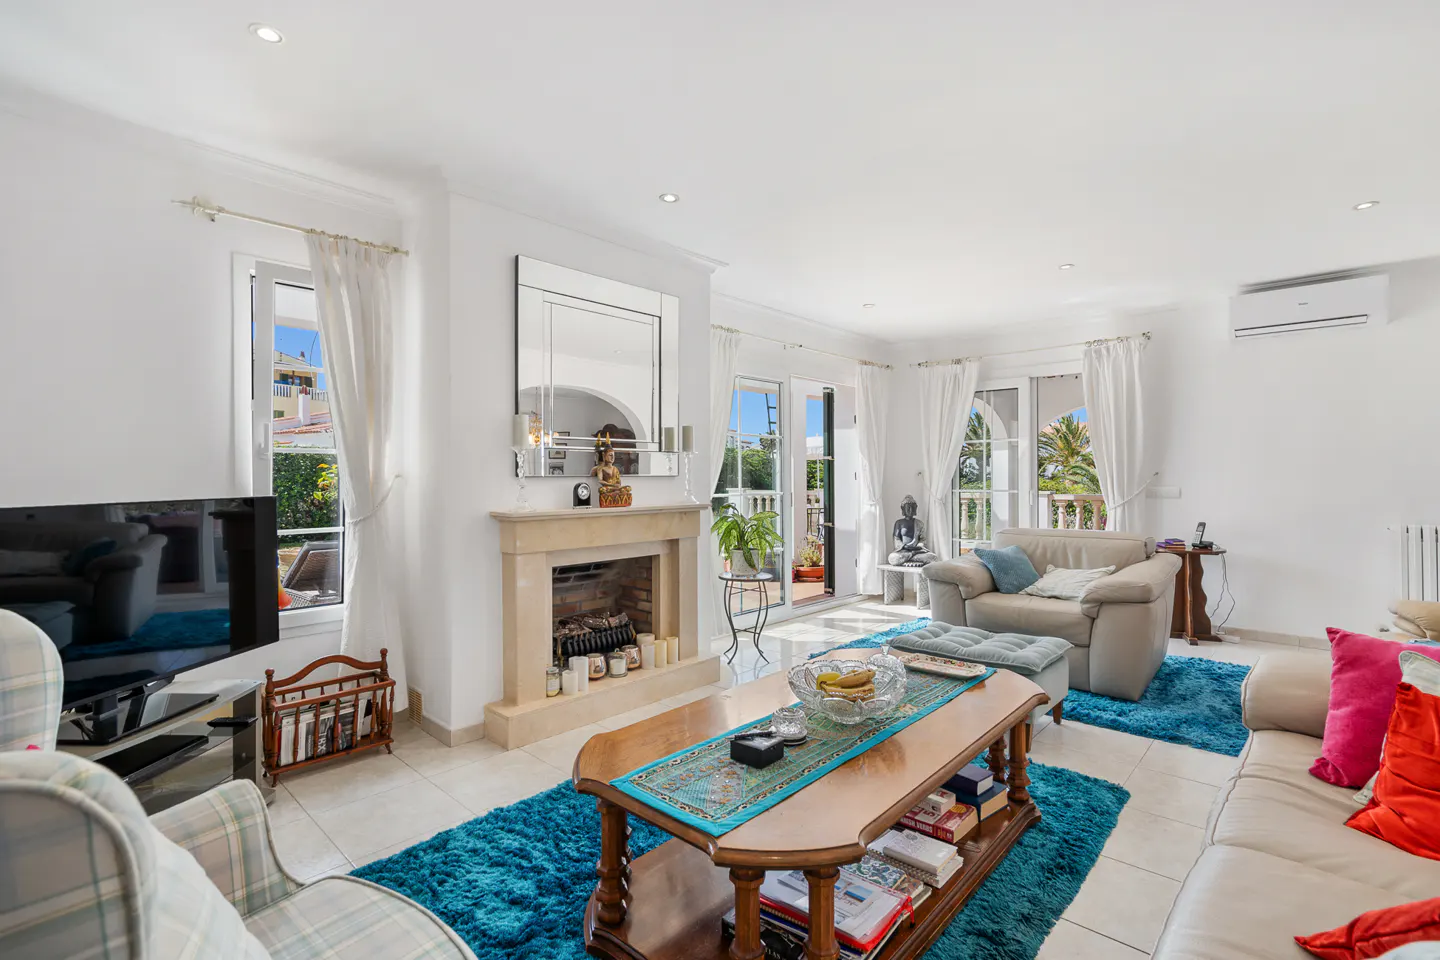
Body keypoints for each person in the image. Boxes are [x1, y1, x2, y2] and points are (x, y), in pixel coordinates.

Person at [889, 494, 937, 565]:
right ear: (903, 509)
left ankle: (908, 559)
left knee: (933, 557)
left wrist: (918, 547)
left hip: (917, 551)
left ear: (915, 509)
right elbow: (896, 539)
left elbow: (922, 539)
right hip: (903, 551)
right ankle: (914, 559)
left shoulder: (919, 523)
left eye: (912, 508)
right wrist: (904, 546)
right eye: (908, 508)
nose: (910, 510)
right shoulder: (899, 523)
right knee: (893, 558)